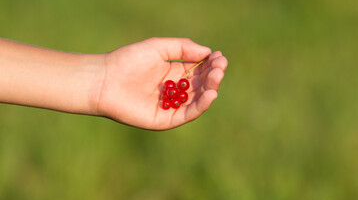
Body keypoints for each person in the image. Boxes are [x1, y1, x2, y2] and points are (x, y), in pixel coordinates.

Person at [0, 37, 228, 130]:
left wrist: (102, 75)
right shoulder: (172, 91)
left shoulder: (172, 89)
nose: (170, 93)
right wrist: (101, 77)